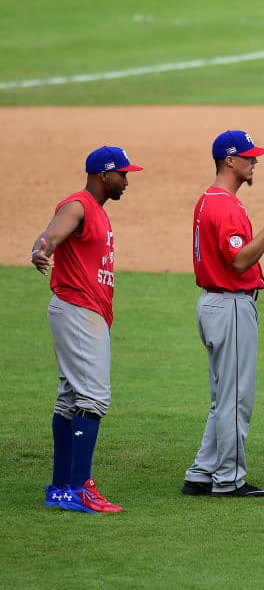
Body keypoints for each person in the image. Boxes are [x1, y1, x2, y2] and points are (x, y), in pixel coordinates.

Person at [33, 146, 143, 513]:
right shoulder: (79, 205)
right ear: (103, 175)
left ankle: (61, 488)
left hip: (80, 311)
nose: (126, 181)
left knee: (70, 399)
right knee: (93, 398)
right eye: (122, 174)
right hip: (78, 309)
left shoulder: (97, 211)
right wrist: (41, 249)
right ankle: (81, 489)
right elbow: (50, 234)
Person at [182, 130, 264, 498]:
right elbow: (241, 260)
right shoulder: (225, 205)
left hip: (214, 303)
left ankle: (201, 472)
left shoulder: (207, 200)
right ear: (230, 160)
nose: (255, 161)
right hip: (229, 305)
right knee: (235, 399)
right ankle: (228, 479)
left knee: (222, 396)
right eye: (248, 156)